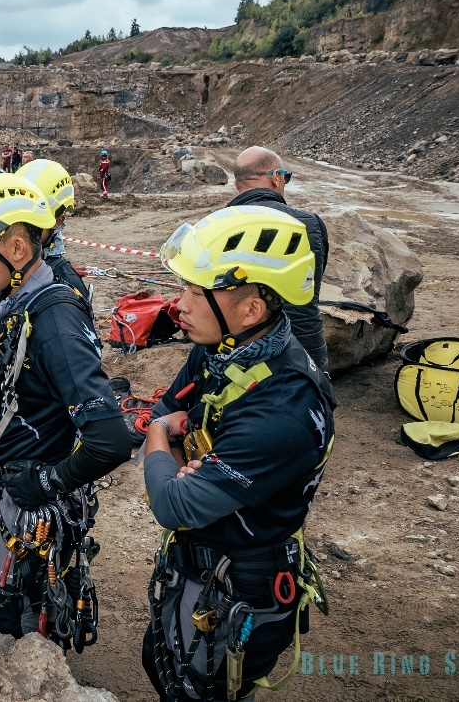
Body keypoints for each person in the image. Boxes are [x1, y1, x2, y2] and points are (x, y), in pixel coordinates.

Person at [141, 205, 336, 701]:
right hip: (203, 563)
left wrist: (162, 439)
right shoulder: (221, 348)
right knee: (163, 662)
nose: (177, 303)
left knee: (205, 687)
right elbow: (172, 404)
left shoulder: (284, 409)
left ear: (250, 309)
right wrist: (176, 442)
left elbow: (173, 503)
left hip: (242, 582)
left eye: (192, 291)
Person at [0, 174, 132, 644]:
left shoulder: (54, 321)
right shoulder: (16, 301)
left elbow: (109, 439)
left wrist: (45, 482)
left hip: (35, 500)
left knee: (29, 628)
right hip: (13, 487)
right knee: (8, 609)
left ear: (16, 249)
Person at [228, 147, 330, 375]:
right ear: (276, 177)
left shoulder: (214, 226)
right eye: (286, 176)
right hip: (304, 345)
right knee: (313, 404)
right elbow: (312, 283)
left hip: (240, 350)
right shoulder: (310, 223)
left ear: (237, 185)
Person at [16, 159, 91, 300]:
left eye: (33, 220)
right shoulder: (1, 269)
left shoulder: (65, 284)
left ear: (57, 221)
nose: (18, 230)